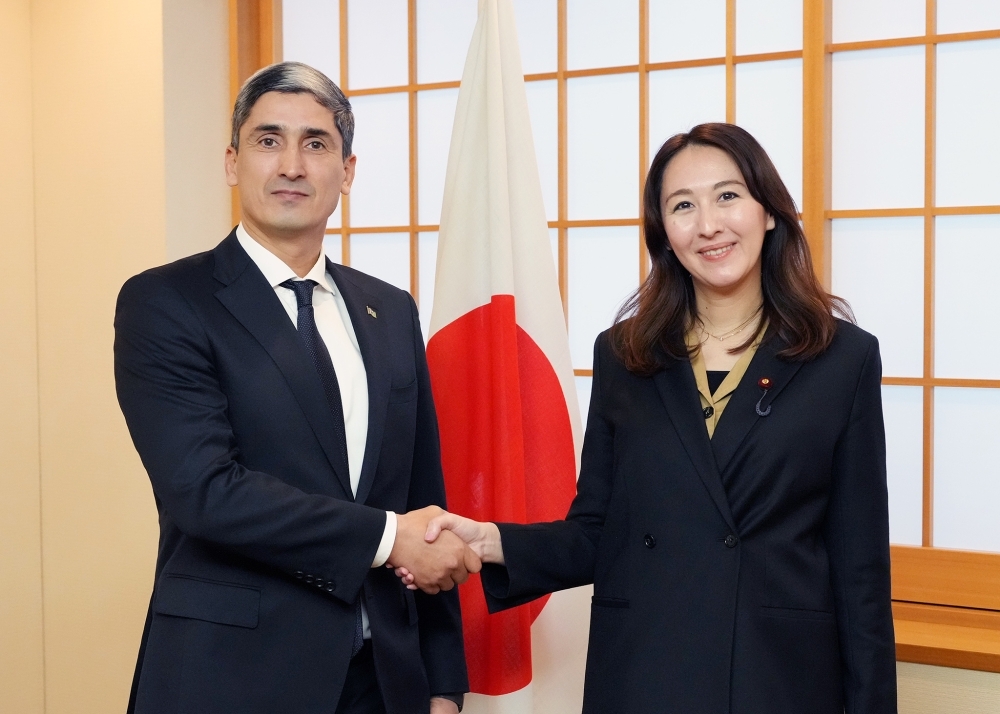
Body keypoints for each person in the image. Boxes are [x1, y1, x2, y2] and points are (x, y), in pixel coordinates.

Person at [399, 123, 897, 713]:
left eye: (728, 196)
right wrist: (491, 541)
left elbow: (860, 571)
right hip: (645, 669)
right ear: (663, 232)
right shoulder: (625, 355)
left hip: (775, 676)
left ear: (768, 212)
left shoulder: (841, 359)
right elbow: (597, 532)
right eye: (683, 206)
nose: (708, 224)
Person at [114, 61, 477, 714]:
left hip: (383, 681)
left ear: (347, 170)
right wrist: (387, 538)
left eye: (316, 143)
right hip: (231, 679)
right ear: (232, 162)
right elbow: (206, 492)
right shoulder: (166, 302)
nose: (291, 165)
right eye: (268, 140)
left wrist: (443, 683)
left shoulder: (390, 311)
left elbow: (423, 499)